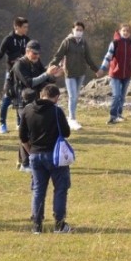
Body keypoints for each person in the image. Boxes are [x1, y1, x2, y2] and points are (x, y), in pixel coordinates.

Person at [20, 84, 74, 234]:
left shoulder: (27, 110)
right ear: (56, 97)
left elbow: (22, 137)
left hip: (35, 155)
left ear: (41, 94)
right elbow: (66, 133)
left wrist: (30, 152)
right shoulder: (56, 111)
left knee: (38, 190)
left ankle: (37, 226)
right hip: (55, 156)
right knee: (60, 189)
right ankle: (60, 225)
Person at [11, 41, 60, 171]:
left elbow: (45, 77)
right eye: (34, 53)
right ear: (27, 51)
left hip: (35, 101)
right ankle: (26, 163)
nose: (37, 56)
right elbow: (29, 83)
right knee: (26, 132)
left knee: (30, 131)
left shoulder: (36, 62)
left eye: (38, 54)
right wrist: (46, 74)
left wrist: (54, 75)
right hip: (22, 101)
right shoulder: (19, 65)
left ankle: (22, 161)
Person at [50, 21, 99, 131]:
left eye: (81, 30)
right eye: (77, 29)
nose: (79, 32)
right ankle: (72, 119)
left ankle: (70, 117)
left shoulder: (83, 42)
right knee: (72, 96)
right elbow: (58, 55)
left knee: (76, 96)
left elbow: (88, 57)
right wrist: (51, 66)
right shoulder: (67, 41)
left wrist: (96, 69)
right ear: (73, 30)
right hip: (70, 73)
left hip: (80, 73)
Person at [98, 24, 131, 124]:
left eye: (127, 31)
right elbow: (108, 57)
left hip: (127, 74)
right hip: (115, 74)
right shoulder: (115, 43)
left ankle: (119, 114)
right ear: (120, 31)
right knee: (116, 95)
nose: (125, 33)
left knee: (122, 96)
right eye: (124, 31)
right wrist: (102, 68)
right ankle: (112, 116)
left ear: (130, 33)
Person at [0, 16, 30, 134]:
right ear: (16, 27)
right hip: (11, 73)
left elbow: (32, 55)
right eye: (24, 27)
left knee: (21, 97)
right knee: (7, 98)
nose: (26, 29)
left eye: (27, 27)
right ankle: (2, 123)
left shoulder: (27, 40)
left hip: (23, 73)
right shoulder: (8, 39)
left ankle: (20, 123)